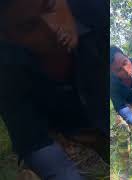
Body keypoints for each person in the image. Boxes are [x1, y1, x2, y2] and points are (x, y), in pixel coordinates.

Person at [0, 0, 107, 179]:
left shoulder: (99, 10)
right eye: (29, 26)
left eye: (50, 7)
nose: (52, 28)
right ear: (7, 36)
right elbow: (34, 142)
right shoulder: (6, 69)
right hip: (76, 129)